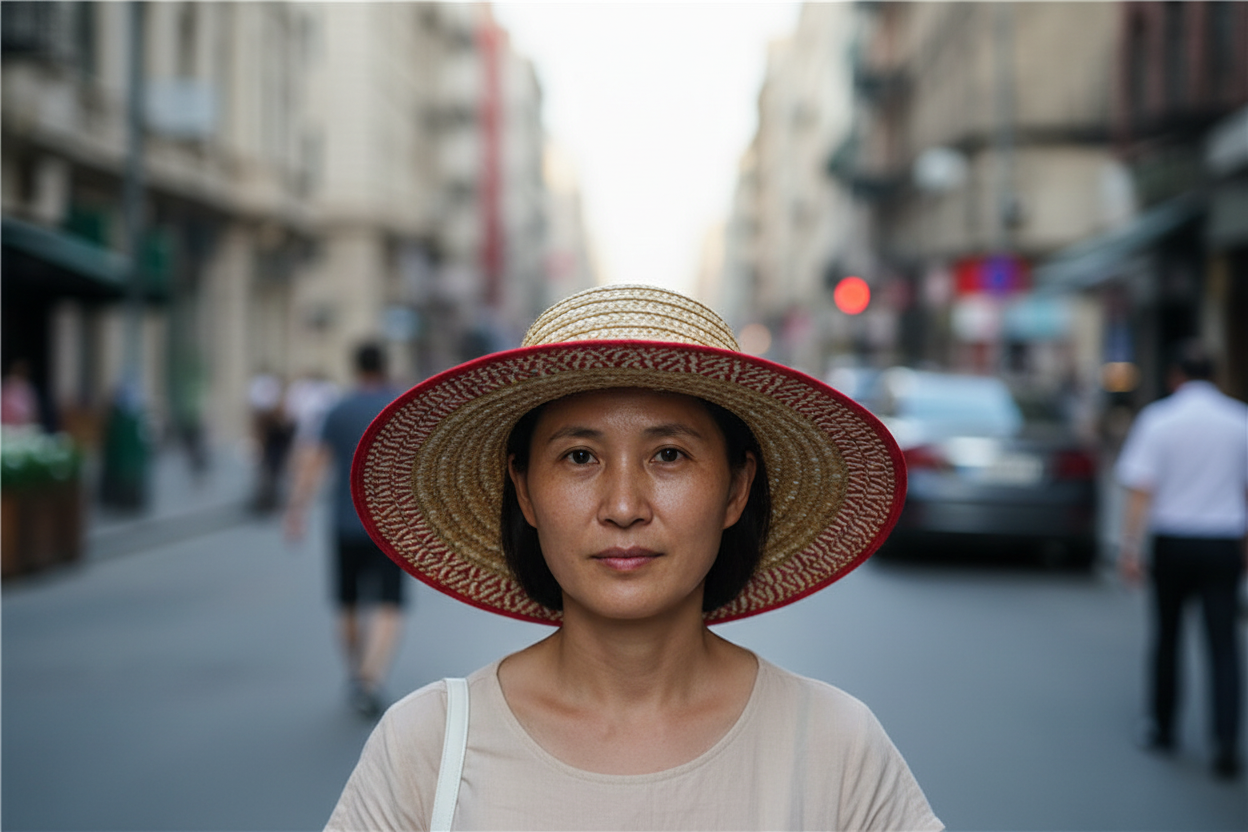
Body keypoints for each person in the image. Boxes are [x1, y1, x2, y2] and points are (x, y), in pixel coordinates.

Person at [326, 285, 942, 830]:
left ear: (735, 488)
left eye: (669, 454)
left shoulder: (835, 747)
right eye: (579, 457)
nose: (623, 506)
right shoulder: (428, 749)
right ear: (525, 490)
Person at [1116, 340, 1248, 780]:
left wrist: (1130, 548)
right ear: (1215, 375)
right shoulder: (1238, 421)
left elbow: (1141, 490)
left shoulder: (1159, 419)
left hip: (1173, 541)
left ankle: (1163, 728)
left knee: (1168, 636)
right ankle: (1226, 741)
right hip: (1222, 542)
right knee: (1224, 645)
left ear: (1175, 376)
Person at [285, 343, 406, 719]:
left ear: (355, 369)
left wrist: (297, 508)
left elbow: (314, 460)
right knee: (389, 603)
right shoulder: (398, 407)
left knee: (348, 602)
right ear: (384, 367)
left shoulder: (337, 410)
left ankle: (356, 674)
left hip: (343, 519)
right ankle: (371, 679)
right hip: (390, 522)